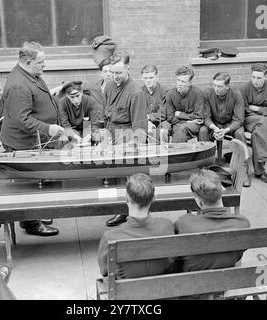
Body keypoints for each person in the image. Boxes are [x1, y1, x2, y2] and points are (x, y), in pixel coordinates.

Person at [0, 42, 65, 237]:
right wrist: (49, 128)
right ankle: (31, 223)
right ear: (27, 62)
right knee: (28, 183)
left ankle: (34, 215)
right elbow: (22, 119)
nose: (44, 65)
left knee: (36, 179)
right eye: (40, 62)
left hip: (30, 139)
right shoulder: (19, 84)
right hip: (22, 141)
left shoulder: (29, 74)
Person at [173, 169, 250, 274]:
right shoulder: (242, 223)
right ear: (222, 192)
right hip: (225, 281)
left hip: (191, 284)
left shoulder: (184, 223)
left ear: (198, 200)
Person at [98, 173, 174, 279]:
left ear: (126, 199)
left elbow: (104, 271)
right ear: (154, 198)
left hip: (126, 293)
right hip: (164, 290)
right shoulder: (167, 226)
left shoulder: (110, 238)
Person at [104, 51, 148, 227]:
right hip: (111, 135)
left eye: (119, 73)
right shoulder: (108, 86)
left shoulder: (136, 92)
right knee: (114, 177)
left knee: (130, 180)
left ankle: (130, 214)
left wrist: (132, 148)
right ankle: (120, 208)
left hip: (127, 138)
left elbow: (139, 127)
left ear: (128, 68)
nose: (115, 76)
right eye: (112, 72)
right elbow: (105, 114)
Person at [199, 72, 251, 187]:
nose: (216, 89)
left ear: (228, 86)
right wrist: (215, 128)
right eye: (214, 85)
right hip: (214, 124)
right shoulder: (207, 93)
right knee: (203, 131)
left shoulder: (237, 94)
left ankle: (243, 172)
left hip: (231, 124)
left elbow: (239, 120)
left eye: (220, 86)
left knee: (240, 134)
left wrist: (226, 130)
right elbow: (206, 117)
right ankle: (205, 170)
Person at [240, 63, 267, 184]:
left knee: (257, 134)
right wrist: (263, 114)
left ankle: (260, 172)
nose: (255, 81)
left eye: (259, 78)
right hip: (248, 120)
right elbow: (243, 109)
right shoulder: (244, 88)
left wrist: (257, 109)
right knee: (264, 123)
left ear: (265, 77)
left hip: (262, 123)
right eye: (253, 77)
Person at [164, 66, 204, 143]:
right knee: (179, 130)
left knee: (181, 129)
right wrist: (188, 121)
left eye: (183, 82)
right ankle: (179, 153)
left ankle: (178, 153)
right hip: (178, 123)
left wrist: (180, 114)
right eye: (178, 80)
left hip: (194, 125)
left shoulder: (198, 93)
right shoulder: (170, 94)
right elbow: (170, 117)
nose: (179, 84)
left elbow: (199, 116)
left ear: (189, 83)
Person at [140, 65, 171, 144]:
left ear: (157, 77)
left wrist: (148, 116)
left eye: (151, 78)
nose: (148, 81)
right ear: (142, 78)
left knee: (163, 130)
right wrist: (147, 122)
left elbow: (163, 114)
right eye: (146, 78)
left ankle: (164, 153)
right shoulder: (139, 92)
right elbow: (137, 112)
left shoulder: (165, 91)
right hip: (145, 122)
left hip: (162, 122)